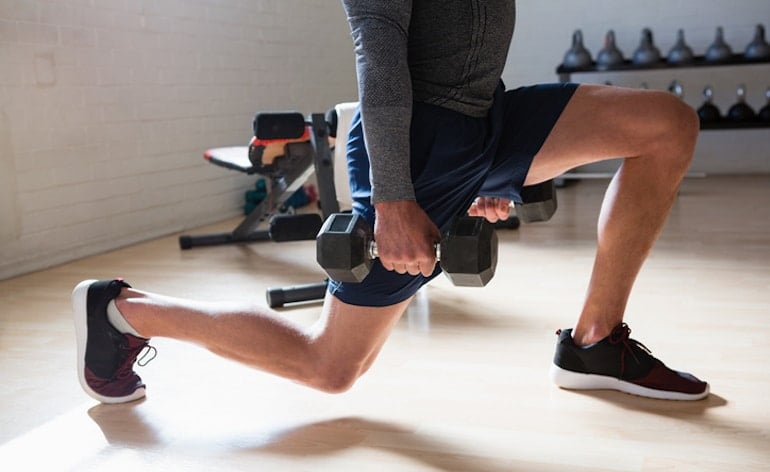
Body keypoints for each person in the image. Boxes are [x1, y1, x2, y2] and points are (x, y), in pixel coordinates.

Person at [73, 0, 708, 405]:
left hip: (487, 117)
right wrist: (395, 202)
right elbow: (377, 67)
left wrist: (495, 167)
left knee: (665, 124)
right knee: (330, 367)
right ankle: (123, 311)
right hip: (417, 143)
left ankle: (594, 342)